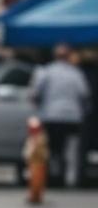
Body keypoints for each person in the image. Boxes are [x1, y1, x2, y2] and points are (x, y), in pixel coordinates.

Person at [30, 43, 91, 188]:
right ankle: (69, 178)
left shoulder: (47, 71)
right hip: (72, 117)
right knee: (69, 149)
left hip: (51, 116)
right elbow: (84, 95)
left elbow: (35, 93)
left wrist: (37, 106)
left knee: (51, 149)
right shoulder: (76, 73)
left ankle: (51, 177)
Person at [23, 116, 49, 205]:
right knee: (33, 181)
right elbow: (28, 150)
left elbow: (42, 151)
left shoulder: (41, 138)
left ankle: (37, 197)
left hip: (39, 162)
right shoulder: (32, 138)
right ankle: (33, 196)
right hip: (33, 162)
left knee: (38, 181)